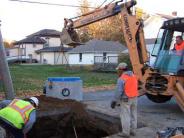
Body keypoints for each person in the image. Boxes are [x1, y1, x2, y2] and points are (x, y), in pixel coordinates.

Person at [111, 62, 138, 138]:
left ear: (121, 70)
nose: (117, 71)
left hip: (126, 99)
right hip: (135, 98)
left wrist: (114, 101)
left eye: (118, 70)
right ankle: (133, 131)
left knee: (125, 116)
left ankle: (126, 133)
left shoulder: (121, 79)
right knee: (133, 114)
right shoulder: (133, 75)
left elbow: (118, 92)